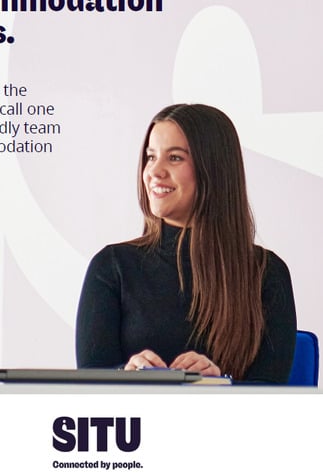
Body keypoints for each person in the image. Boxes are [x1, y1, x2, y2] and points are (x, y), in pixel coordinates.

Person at [75, 103, 297, 382]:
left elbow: (272, 399)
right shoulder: (111, 266)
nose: (154, 171)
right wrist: (125, 375)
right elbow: (89, 385)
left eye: (175, 158)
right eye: (150, 157)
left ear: (213, 170)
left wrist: (219, 383)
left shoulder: (267, 273)